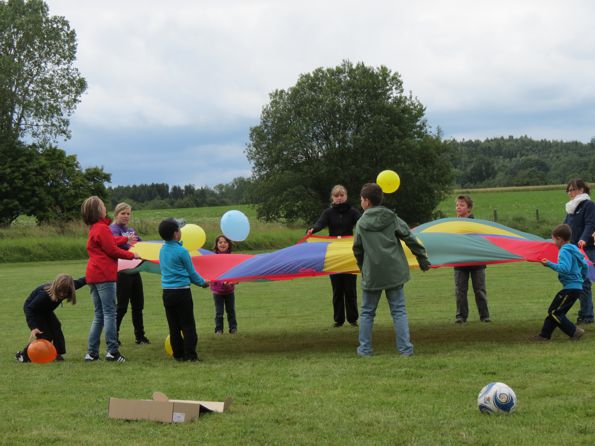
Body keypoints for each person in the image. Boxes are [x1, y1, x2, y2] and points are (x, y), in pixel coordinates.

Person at [352, 183, 431, 357]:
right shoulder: (392, 218)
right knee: (398, 311)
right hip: (395, 272)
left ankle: (365, 349)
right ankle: (405, 349)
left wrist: (363, 268)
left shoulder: (361, 223)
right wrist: (422, 259)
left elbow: (357, 249)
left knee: (367, 312)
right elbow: (410, 237)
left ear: (366, 201)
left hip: (372, 273)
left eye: (361, 199)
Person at [81, 196, 139, 363]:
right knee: (109, 313)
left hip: (93, 275)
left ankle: (92, 353)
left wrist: (124, 239)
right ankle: (112, 351)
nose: (105, 207)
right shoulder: (102, 228)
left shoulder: (96, 228)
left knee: (99, 314)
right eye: (102, 205)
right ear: (97, 210)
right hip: (104, 275)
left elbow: (110, 241)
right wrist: (132, 255)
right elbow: (112, 250)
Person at [307, 185, 361, 327]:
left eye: (341, 195)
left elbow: (362, 223)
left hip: (349, 254)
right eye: (336, 196)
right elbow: (320, 224)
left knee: (350, 288)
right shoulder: (328, 212)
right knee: (337, 288)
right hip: (333, 255)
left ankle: (353, 318)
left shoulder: (353, 212)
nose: (339, 198)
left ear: (346, 196)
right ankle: (339, 319)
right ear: (332, 197)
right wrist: (313, 229)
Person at [159, 218, 209, 362]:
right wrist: (202, 283)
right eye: (179, 230)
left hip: (167, 293)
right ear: (176, 234)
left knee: (173, 326)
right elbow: (191, 273)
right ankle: (191, 356)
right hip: (181, 292)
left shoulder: (162, 250)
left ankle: (178, 355)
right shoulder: (182, 251)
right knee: (188, 326)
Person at [533, 224, 587, 341]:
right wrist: (580, 279)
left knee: (554, 312)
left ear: (559, 239)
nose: (553, 242)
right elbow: (585, 265)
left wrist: (549, 264)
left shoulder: (564, 251)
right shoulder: (574, 249)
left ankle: (574, 331)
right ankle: (544, 335)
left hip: (570, 288)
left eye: (553, 239)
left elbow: (565, 268)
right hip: (575, 287)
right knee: (557, 312)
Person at [15, 274, 86, 362]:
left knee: (56, 326)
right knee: (46, 335)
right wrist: (33, 327)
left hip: (46, 310)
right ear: (56, 287)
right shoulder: (44, 295)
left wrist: (92, 277)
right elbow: (29, 309)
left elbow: (81, 282)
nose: (62, 294)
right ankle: (23, 355)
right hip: (35, 311)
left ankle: (57, 353)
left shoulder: (68, 287)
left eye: (65, 292)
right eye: (60, 291)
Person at [110, 202, 150, 345]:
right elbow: (116, 245)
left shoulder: (131, 230)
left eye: (128, 213)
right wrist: (130, 245)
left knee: (138, 305)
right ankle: (113, 336)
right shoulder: (113, 229)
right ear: (116, 214)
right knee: (121, 307)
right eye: (123, 213)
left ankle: (140, 336)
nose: (126, 216)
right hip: (122, 272)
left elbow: (140, 245)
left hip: (135, 270)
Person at [453, 194, 491, 323]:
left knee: (479, 290)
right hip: (459, 261)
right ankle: (460, 316)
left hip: (477, 261)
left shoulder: (476, 224)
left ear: (469, 209)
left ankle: (485, 316)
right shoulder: (452, 225)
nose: (458, 207)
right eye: (457, 205)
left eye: (462, 205)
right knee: (460, 291)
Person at [563, 179, 595, 324]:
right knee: (580, 282)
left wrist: (584, 239)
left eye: (573, 189)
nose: (570, 193)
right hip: (575, 250)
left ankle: (587, 316)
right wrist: (557, 238)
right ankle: (585, 313)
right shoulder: (571, 208)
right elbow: (565, 227)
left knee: (585, 282)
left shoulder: (588, 205)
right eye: (568, 190)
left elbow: (590, 224)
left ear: (582, 190)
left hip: (587, 249)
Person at [210, 235, 238, 335]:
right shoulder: (212, 258)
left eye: (225, 242)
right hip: (217, 291)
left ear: (229, 244)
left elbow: (237, 272)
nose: (223, 244)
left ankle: (233, 328)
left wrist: (234, 281)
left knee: (231, 310)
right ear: (216, 245)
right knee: (219, 312)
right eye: (220, 242)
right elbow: (212, 272)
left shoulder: (232, 257)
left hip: (229, 290)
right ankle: (219, 329)